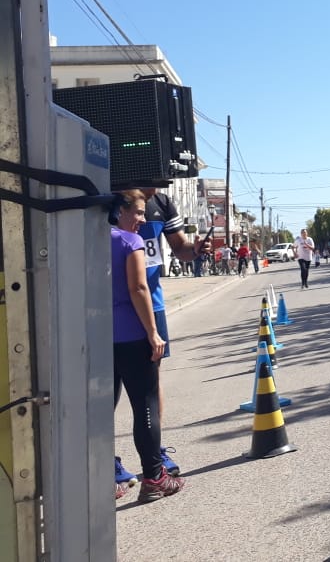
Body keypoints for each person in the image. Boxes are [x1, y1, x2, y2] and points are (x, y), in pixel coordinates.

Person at [112, 189, 187, 502]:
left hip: (99, 337)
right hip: (133, 336)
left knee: (100, 411)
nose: (143, 220)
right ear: (120, 210)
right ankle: (155, 478)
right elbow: (139, 288)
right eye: (139, 212)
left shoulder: (86, 240)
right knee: (146, 406)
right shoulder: (130, 242)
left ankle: (102, 478)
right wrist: (153, 332)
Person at [133, 187, 209, 479]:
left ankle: (155, 451)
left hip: (153, 302)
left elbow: (180, 248)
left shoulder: (162, 202)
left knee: (152, 380)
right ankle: (105, 459)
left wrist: (195, 250)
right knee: (107, 382)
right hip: (112, 302)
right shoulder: (114, 194)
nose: (162, 183)